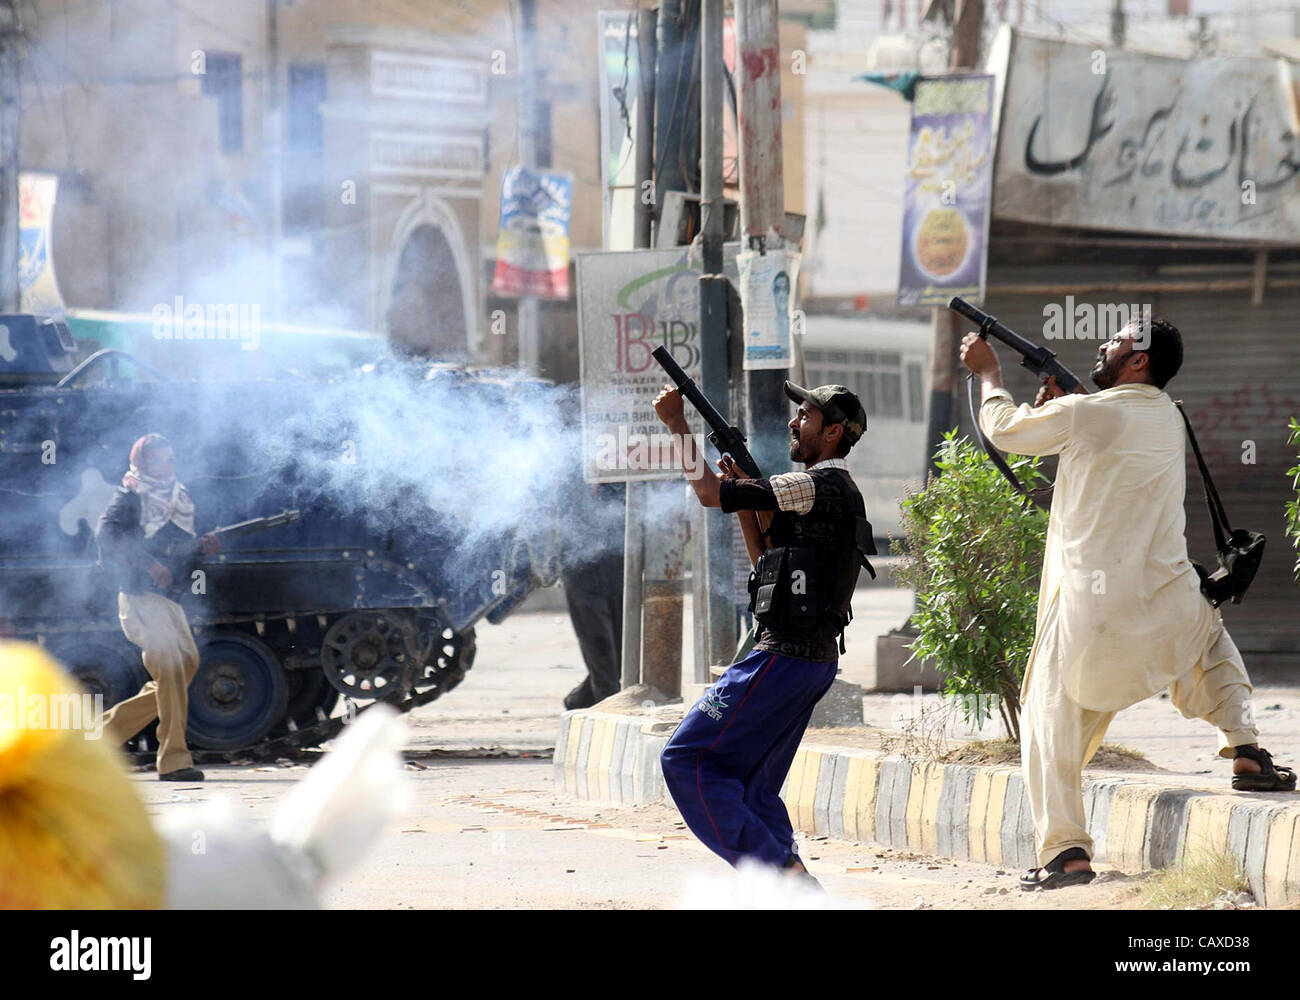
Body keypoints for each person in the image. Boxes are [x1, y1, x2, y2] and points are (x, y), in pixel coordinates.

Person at [960, 316, 1296, 892]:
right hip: (1168, 606)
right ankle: (1246, 750)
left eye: (1116, 340)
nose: (1103, 343)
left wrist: (990, 374)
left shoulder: (1093, 413)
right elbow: (1104, 449)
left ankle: (1065, 852)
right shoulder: (1167, 415)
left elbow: (1007, 430)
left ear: (1139, 360)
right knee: (1207, 637)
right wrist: (1065, 414)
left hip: (1094, 622)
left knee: (1048, 715)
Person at [651, 380, 872, 882]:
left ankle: (777, 872)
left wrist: (677, 426)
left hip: (782, 659)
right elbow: (767, 567)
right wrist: (752, 508)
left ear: (833, 432)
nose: (795, 423)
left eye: (807, 417)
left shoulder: (812, 485)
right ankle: (792, 881)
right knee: (752, 785)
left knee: (685, 759)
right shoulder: (835, 493)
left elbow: (708, 494)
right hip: (808, 661)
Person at [96, 434, 219, 782]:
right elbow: (105, 537)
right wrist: (150, 565)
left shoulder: (179, 498)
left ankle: (95, 740)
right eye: (160, 460)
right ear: (144, 463)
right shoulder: (129, 496)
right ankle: (175, 760)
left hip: (169, 603)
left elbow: (181, 552)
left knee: (181, 671)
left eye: (170, 458)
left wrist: (203, 549)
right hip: (139, 598)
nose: (168, 465)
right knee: (171, 669)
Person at [559, 482, 626, 710]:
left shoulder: (620, 483)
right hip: (582, 578)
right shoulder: (569, 483)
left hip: (617, 575)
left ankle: (577, 702)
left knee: (619, 656)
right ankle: (607, 710)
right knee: (602, 658)